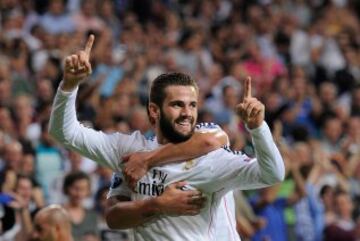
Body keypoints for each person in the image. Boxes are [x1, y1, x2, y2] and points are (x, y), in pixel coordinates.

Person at [49, 35, 285, 241]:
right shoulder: (130, 151)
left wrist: (258, 128)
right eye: (177, 105)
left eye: (192, 105)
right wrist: (69, 85)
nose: (187, 113)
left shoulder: (210, 158)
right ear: (154, 110)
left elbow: (273, 174)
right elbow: (65, 133)